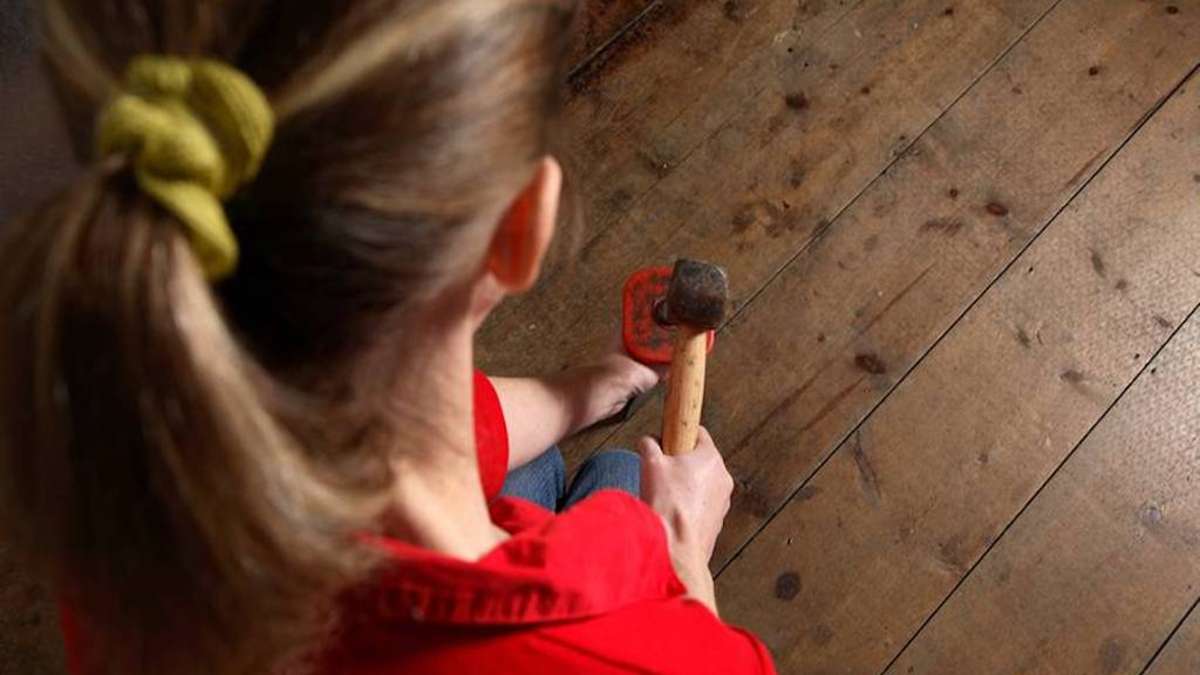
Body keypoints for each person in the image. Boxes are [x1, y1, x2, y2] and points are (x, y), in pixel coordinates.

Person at [0, 1, 777, 673]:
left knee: (545, 452)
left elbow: (445, 426)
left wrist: (590, 387)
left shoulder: (136, 466)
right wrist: (681, 561)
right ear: (518, 230)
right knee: (616, 475)